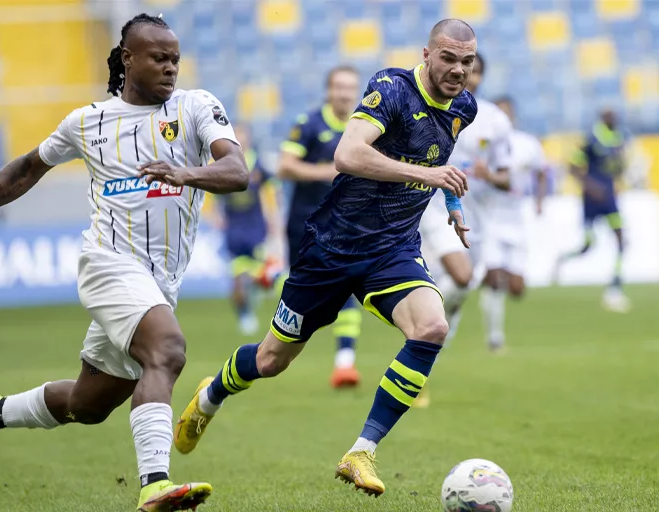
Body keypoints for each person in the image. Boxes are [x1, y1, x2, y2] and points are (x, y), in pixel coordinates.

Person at [0, 14, 248, 512]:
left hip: (159, 282)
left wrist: (185, 173)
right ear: (127, 59)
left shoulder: (196, 107)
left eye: (175, 59)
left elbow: (237, 171)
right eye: (159, 58)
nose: (170, 68)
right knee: (167, 350)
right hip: (107, 264)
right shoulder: (88, 122)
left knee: (89, 404)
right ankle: (155, 485)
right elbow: (27, 168)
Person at [173, 19, 477, 497]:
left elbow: (436, 161)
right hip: (331, 249)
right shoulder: (392, 89)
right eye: (449, 58)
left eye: (467, 61)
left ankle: (362, 451)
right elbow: (348, 155)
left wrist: (452, 201)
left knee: (432, 327)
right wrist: (431, 176)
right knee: (271, 360)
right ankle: (211, 395)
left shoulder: (463, 107)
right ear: (426, 54)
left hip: (392, 249)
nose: (458, 69)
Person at [276, 65, 364, 388]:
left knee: (348, 286)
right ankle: (274, 354)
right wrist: (326, 172)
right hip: (304, 223)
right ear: (329, 90)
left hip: (343, 224)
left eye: (350, 88)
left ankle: (345, 362)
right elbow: (284, 166)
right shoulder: (309, 124)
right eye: (339, 87)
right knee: (302, 296)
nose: (344, 94)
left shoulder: (363, 127)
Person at [418, 53, 512, 351]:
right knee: (462, 275)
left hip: (477, 214)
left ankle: (440, 328)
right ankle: (425, 328)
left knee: (465, 282)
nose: (469, 77)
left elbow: (506, 178)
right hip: (436, 206)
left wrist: (490, 175)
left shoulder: (495, 120)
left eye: (475, 71)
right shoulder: (431, 108)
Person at [476, 96, 548, 351]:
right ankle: (494, 338)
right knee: (495, 279)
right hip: (490, 216)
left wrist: (539, 201)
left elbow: (542, 172)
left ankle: (483, 279)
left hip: (516, 218)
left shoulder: (528, 144)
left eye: (507, 112)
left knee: (516, 289)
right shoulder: (483, 144)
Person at [554, 109, 630, 312]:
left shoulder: (619, 138)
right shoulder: (592, 139)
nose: (614, 118)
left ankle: (615, 284)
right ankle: (563, 259)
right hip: (591, 200)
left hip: (609, 199)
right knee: (588, 245)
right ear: (603, 119)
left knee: (621, 238)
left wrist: (618, 176)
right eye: (610, 116)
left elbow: (618, 167)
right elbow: (573, 167)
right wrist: (590, 186)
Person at [217, 125, 279, 335]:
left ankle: (258, 285)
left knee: (256, 274)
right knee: (236, 278)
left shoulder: (258, 165)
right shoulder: (222, 164)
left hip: (255, 229)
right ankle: (244, 313)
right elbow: (208, 193)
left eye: (243, 136)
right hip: (234, 230)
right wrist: (214, 217)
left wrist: (273, 218)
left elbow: (270, 191)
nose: (240, 141)